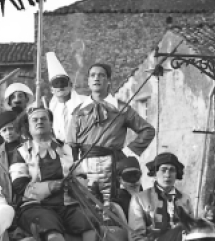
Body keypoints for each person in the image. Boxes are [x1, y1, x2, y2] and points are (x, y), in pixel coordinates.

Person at [11, 105, 97, 241]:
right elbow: (19, 185)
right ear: (28, 127)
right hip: (35, 205)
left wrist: (76, 185)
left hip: (68, 203)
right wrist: (50, 187)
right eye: (34, 120)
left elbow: (81, 175)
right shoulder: (21, 152)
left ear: (51, 124)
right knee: (47, 222)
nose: (39, 122)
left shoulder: (66, 149)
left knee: (87, 219)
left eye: (43, 119)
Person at [66, 63, 155, 204]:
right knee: (86, 204)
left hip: (113, 165)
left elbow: (147, 130)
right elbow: (71, 144)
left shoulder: (121, 108)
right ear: (88, 81)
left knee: (112, 205)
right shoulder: (78, 112)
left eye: (101, 75)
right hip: (85, 166)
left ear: (108, 81)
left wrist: (128, 151)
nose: (97, 78)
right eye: (93, 75)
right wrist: (73, 165)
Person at [127, 152, 194, 241]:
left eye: (172, 170)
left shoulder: (185, 199)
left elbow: (191, 230)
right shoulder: (140, 199)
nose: (168, 174)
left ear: (176, 174)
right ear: (155, 173)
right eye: (163, 170)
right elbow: (136, 236)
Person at [45, 52, 85, 143]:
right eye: (56, 83)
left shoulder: (85, 102)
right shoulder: (50, 110)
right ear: (52, 90)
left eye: (63, 82)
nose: (60, 86)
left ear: (70, 85)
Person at [115, 155, 143, 219]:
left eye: (136, 175)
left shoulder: (148, 197)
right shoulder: (116, 202)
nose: (133, 181)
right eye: (128, 176)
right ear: (120, 179)